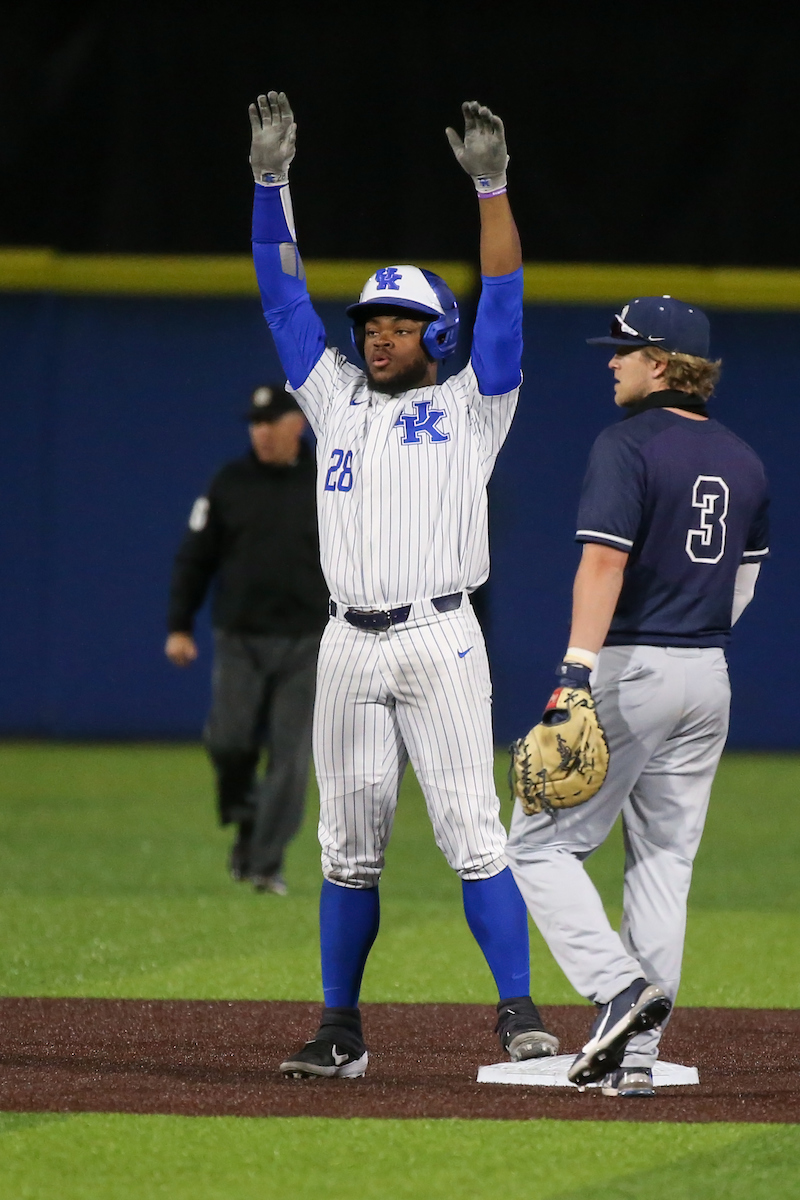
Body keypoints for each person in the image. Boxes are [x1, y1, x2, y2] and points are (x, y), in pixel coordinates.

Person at [247, 90, 559, 1079]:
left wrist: (492, 189)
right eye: (372, 321)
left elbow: (503, 295)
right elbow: (283, 300)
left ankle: (518, 1014)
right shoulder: (333, 399)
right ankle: (339, 1029)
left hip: (438, 637)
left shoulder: (475, 404)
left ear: (439, 334)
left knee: (474, 834)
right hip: (346, 642)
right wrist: (269, 183)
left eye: (400, 321)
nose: (378, 333)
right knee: (347, 848)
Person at [507, 296, 769, 1097]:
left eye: (623, 350)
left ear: (660, 363)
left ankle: (619, 991)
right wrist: (693, 641)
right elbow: (742, 588)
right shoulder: (746, 460)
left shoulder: (626, 443)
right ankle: (637, 1058)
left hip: (632, 667)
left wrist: (575, 673)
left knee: (536, 845)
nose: (611, 361)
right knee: (663, 862)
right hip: (708, 673)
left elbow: (603, 564)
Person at [165, 384, 328, 894]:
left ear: (298, 423)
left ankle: (264, 862)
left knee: (289, 759)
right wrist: (179, 625)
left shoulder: (329, 480)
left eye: (270, 421)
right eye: (255, 423)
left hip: (307, 641)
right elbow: (195, 557)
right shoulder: (229, 482)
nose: (260, 432)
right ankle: (244, 813)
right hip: (240, 637)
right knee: (228, 740)